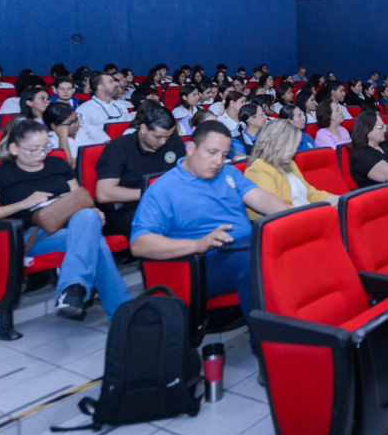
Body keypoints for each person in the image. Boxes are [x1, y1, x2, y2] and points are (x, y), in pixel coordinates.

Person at [0, 119, 129, 320]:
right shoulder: (2, 174)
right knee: (97, 243)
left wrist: (95, 211)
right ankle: (121, 312)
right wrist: (23, 203)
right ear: (14, 148)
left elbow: (78, 197)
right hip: (34, 236)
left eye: (46, 147)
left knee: (88, 216)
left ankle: (72, 291)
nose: (42, 154)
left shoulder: (58, 164)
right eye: (34, 149)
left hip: (72, 226)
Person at [131, 121, 289, 316]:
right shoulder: (163, 189)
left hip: (244, 247)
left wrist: (291, 219)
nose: (218, 161)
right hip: (205, 262)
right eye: (211, 152)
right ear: (190, 148)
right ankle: (269, 343)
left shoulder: (227, 172)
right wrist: (197, 244)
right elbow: (139, 243)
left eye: (223, 155)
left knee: (288, 249)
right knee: (256, 261)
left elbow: (261, 197)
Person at [95, 105, 185, 237]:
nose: (163, 142)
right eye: (158, 137)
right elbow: (104, 193)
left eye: (167, 136)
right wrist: (151, 193)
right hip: (130, 209)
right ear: (143, 128)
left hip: (169, 204)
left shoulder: (173, 141)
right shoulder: (118, 148)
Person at [75, 72, 131, 147]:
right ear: (100, 87)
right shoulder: (84, 109)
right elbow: (82, 136)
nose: (117, 84)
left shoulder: (121, 106)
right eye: (111, 81)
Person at [44, 101, 81, 166]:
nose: (77, 124)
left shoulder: (73, 137)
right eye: (70, 123)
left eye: (76, 120)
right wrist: (63, 137)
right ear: (54, 126)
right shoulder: (49, 141)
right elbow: (65, 165)